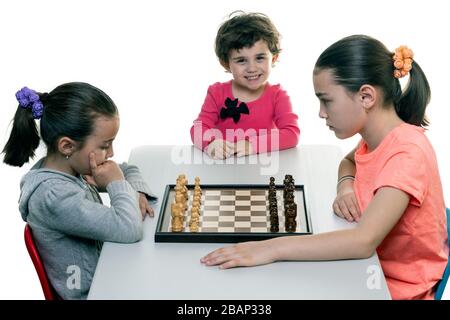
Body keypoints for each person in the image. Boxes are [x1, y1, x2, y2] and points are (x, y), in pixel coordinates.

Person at [201, 35, 448, 300]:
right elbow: (348, 161)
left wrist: (270, 249)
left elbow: (363, 242)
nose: (321, 112)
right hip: (365, 268)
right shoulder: (377, 137)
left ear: (366, 96)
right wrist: (345, 187)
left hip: (393, 288)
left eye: (326, 100)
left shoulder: (407, 152)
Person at [2, 82, 156, 299]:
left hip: (109, 270)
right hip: (95, 293)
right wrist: (117, 185)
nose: (111, 153)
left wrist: (136, 194)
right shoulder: (53, 196)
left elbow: (127, 169)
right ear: (67, 146)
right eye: (104, 145)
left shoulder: (73, 166)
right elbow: (129, 229)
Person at [190, 11, 300, 159]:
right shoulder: (216, 93)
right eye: (241, 60)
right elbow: (198, 129)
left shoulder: (278, 96)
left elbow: (291, 134)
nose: (252, 68)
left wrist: (252, 145)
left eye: (260, 58)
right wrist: (211, 143)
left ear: (273, 58)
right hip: (222, 168)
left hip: (264, 169)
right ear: (226, 64)